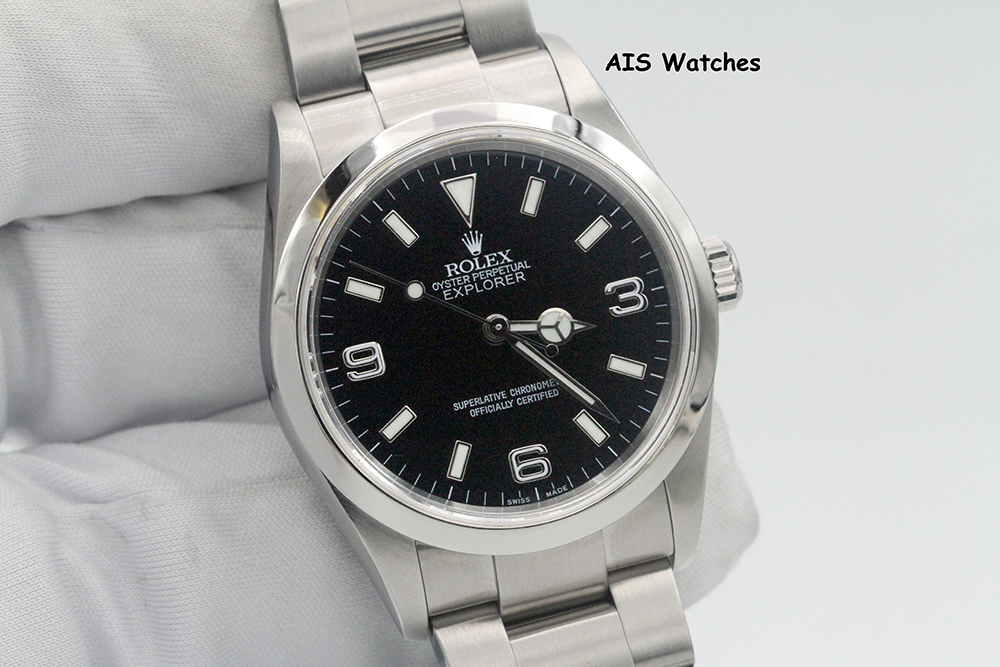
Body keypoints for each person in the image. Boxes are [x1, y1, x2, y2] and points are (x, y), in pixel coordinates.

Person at [0, 1, 759, 664]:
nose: (496, 328)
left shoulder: (553, 99)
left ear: (704, 277)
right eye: (494, 327)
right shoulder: (334, 139)